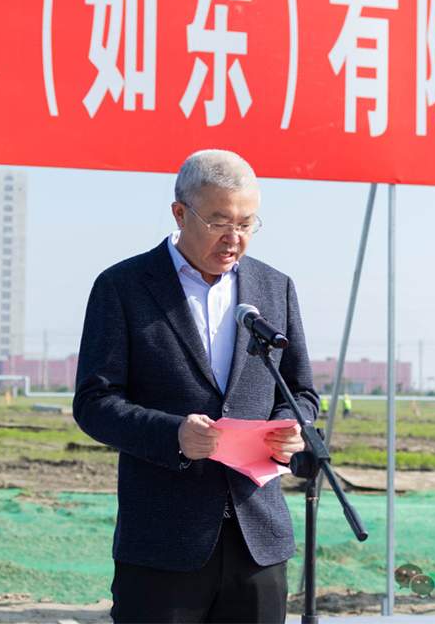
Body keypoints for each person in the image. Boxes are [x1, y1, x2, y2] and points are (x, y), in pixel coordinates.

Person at [73, 150, 319, 623]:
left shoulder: (275, 287)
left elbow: (301, 391)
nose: (234, 238)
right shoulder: (123, 287)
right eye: (219, 222)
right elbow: (94, 402)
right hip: (164, 543)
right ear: (180, 213)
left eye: (247, 223)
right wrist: (174, 436)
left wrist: (291, 426)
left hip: (257, 541)